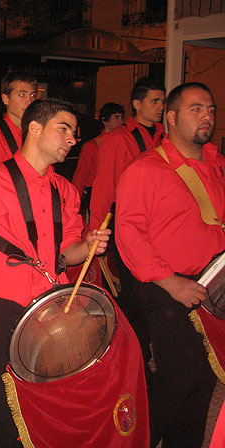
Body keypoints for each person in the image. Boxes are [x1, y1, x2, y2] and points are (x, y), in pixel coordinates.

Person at [0, 98, 109, 447]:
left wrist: (89, 244)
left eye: (74, 133)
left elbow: (68, 252)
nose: (72, 139)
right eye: (63, 129)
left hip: (52, 303)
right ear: (34, 129)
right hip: (2, 303)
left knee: (52, 388)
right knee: (4, 397)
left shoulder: (64, 191)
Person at [116, 82, 221, 447]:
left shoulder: (216, 164)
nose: (206, 116)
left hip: (214, 284)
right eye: (196, 109)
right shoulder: (146, 168)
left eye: (210, 109)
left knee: (204, 378)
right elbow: (128, 233)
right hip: (166, 285)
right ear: (171, 117)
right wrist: (171, 281)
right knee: (179, 376)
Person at [89, 77, 165, 366]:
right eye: (154, 101)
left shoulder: (165, 137)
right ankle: (136, 354)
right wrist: (97, 227)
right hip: (128, 223)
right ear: (137, 104)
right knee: (134, 290)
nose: (159, 107)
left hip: (161, 225)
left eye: (162, 101)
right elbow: (104, 183)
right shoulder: (119, 138)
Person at [71, 102, 124, 211]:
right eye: (116, 117)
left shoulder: (122, 143)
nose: (120, 122)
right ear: (105, 120)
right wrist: (74, 202)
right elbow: (81, 175)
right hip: (95, 192)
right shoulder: (91, 146)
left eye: (121, 117)